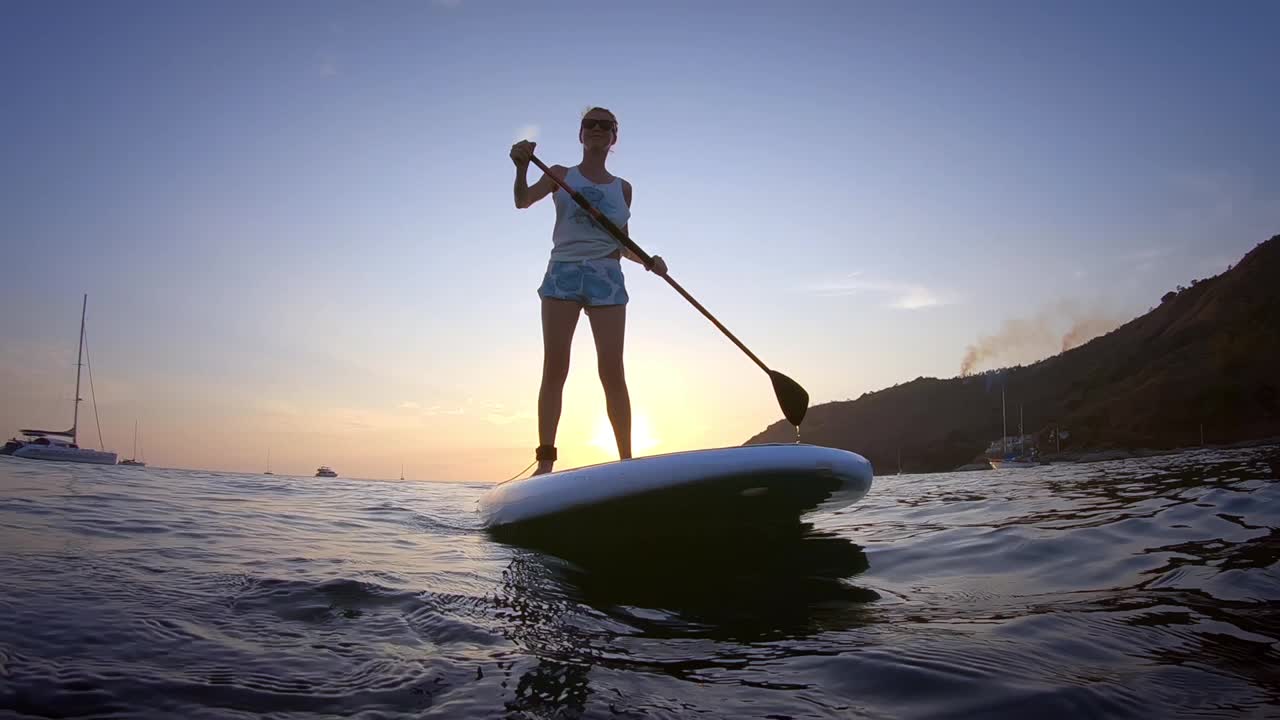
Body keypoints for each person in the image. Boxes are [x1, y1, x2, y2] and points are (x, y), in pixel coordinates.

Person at [510, 107, 667, 475]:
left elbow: (622, 243)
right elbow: (521, 200)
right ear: (580, 134)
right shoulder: (560, 175)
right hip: (563, 274)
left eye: (605, 126)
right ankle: (545, 462)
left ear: (614, 138)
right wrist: (520, 166)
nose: (597, 129)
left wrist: (649, 260)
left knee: (612, 370)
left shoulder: (623, 188)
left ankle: (627, 463)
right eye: (589, 124)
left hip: (607, 277)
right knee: (556, 366)